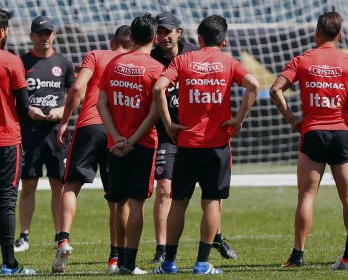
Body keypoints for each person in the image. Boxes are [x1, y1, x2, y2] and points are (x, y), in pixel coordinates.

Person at [153, 15, 259, 274]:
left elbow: (158, 88)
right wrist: (239, 120)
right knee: (212, 202)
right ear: (224, 41)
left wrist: (168, 125)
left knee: (178, 202)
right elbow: (254, 84)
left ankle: (169, 263)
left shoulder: (183, 60)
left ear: (199, 39)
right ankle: (201, 263)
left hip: (187, 143)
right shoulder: (229, 62)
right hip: (217, 144)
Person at [269, 11, 348, 269]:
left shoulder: (303, 60)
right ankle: (347, 256)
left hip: (313, 132)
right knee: (347, 198)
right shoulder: (346, 60)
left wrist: (292, 119)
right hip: (342, 133)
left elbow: (275, 90)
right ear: (339, 34)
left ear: (316, 33)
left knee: (306, 196)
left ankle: (297, 256)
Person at [51, 25, 133, 274]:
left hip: (89, 127)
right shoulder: (135, 61)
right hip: (117, 132)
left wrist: (64, 121)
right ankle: (114, 258)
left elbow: (77, 88)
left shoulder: (96, 55)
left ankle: (63, 239)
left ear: (112, 41)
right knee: (117, 199)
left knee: (71, 186)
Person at [97, 13, 163, 275]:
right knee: (136, 203)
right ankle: (130, 264)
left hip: (115, 144)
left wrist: (117, 137)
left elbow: (101, 103)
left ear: (131, 36)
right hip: (143, 144)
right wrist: (133, 141)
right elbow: (155, 113)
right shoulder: (157, 69)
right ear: (155, 37)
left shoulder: (114, 64)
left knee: (120, 202)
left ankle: (120, 260)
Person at [0, 7, 36, 275]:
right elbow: (24, 106)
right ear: (2, 32)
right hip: (5, 142)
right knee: (6, 201)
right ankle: (9, 264)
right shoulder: (11, 61)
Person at [14, 16, 75, 252]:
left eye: (48, 32)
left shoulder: (64, 63)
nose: (44, 37)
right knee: (28, 185)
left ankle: (60, 235)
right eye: (40, 33)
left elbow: (74, 95)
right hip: (30, 133)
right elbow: (14, 97)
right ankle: (24, 237)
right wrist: (29, 110)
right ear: (32, 36)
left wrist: (63, 110)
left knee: (58, 184)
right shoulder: (22, 62)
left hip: (55, 133)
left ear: (54, 35)